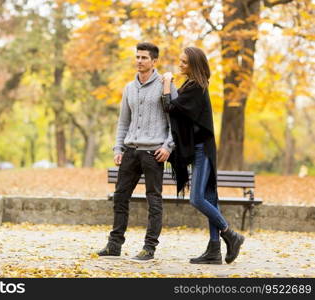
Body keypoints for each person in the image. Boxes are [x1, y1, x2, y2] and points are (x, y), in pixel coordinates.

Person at [161, 47, 245, 264]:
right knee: (209, 198)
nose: (179, 65)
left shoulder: (196, 87)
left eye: (184, 62)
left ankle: (230, 234)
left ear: (194, 65)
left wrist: (166, 84)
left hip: (202, 150)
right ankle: (214, 251)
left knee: (197, 198)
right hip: (200, 147)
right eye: (179, 61)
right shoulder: (191, 85)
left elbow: (169, 106)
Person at [96, 42, 177, 261]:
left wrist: (167, 147)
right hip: (130, 151)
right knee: (120, 197)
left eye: (144, 57)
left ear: (154, 61)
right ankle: (114, 245)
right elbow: (123, 122)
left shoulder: (164, 85)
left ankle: (149, 248)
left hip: (153, 153)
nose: (139, 61)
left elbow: (176, 123)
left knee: (154, 200)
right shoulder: (129, 88)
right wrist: (118, 148)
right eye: (138, 57)